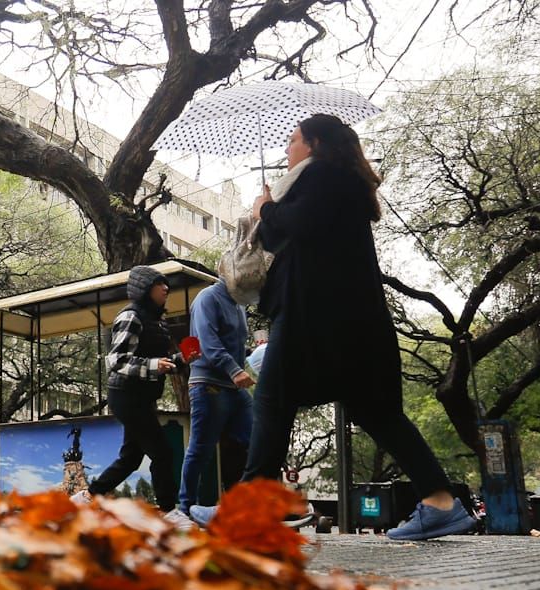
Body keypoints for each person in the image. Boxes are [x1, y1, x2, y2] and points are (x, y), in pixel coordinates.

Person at [188, 114, 475, 541]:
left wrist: (265, 208)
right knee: (378, 412)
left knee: (272, 401)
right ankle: (440, 501)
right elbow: (291, 235)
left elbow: (294, 227)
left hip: (313, 316)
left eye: (292, 140)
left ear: (315, 143)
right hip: (353, 321)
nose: (287, 149)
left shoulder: (322, 174)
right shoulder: (341, 181)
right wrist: (270, 212)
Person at [73, 267, 182, 511]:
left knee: (131, 458)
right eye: (159, 284)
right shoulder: (130, 317)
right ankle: (168, 511)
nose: (166, 288)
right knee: (162, 453)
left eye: (167, 285)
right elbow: (116, 360)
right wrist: (154, 365)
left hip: (143, 397)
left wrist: (182, 359)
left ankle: (88, 496)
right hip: (127, 396)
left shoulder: (156, 320)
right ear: (144, 288)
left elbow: (159, 362)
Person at [174, 277, 254, 525]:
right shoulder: (207, 298)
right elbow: (208, 343)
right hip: (209, 384)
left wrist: (254, 353)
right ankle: (186, 508)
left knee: (259, 440)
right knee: (201, 448)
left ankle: (252, 505)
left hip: (233, 386)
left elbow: (235, 345)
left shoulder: (239, 305)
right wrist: (235, 370)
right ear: (233, 275)